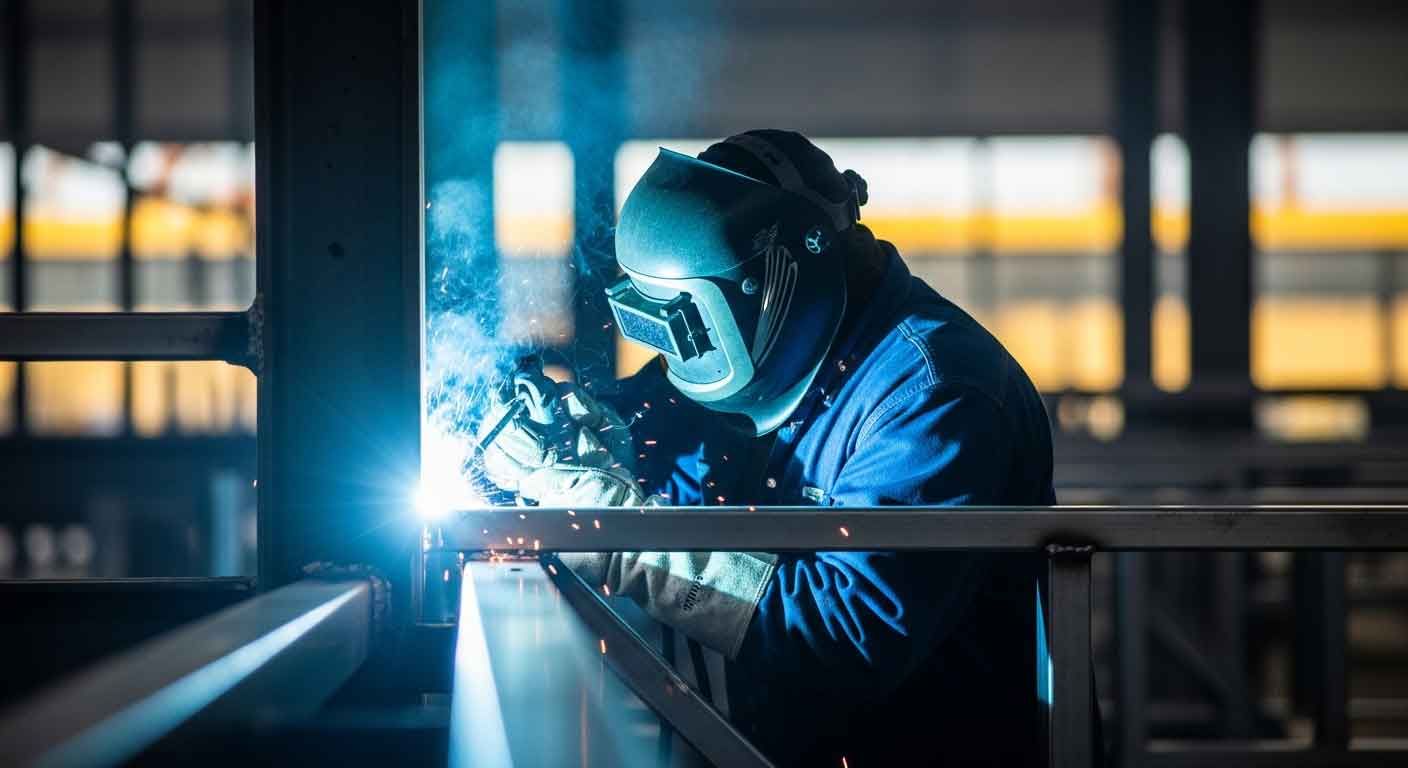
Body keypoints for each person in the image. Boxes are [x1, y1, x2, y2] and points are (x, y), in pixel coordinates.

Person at [479, 130, 1060, 766]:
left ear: (776, 281)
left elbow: (846, 632)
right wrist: (576, 438)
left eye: (690, 324)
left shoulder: (936, 393)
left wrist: (622, 534)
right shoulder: (752, 357)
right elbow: (655, 429)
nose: (680, 351)